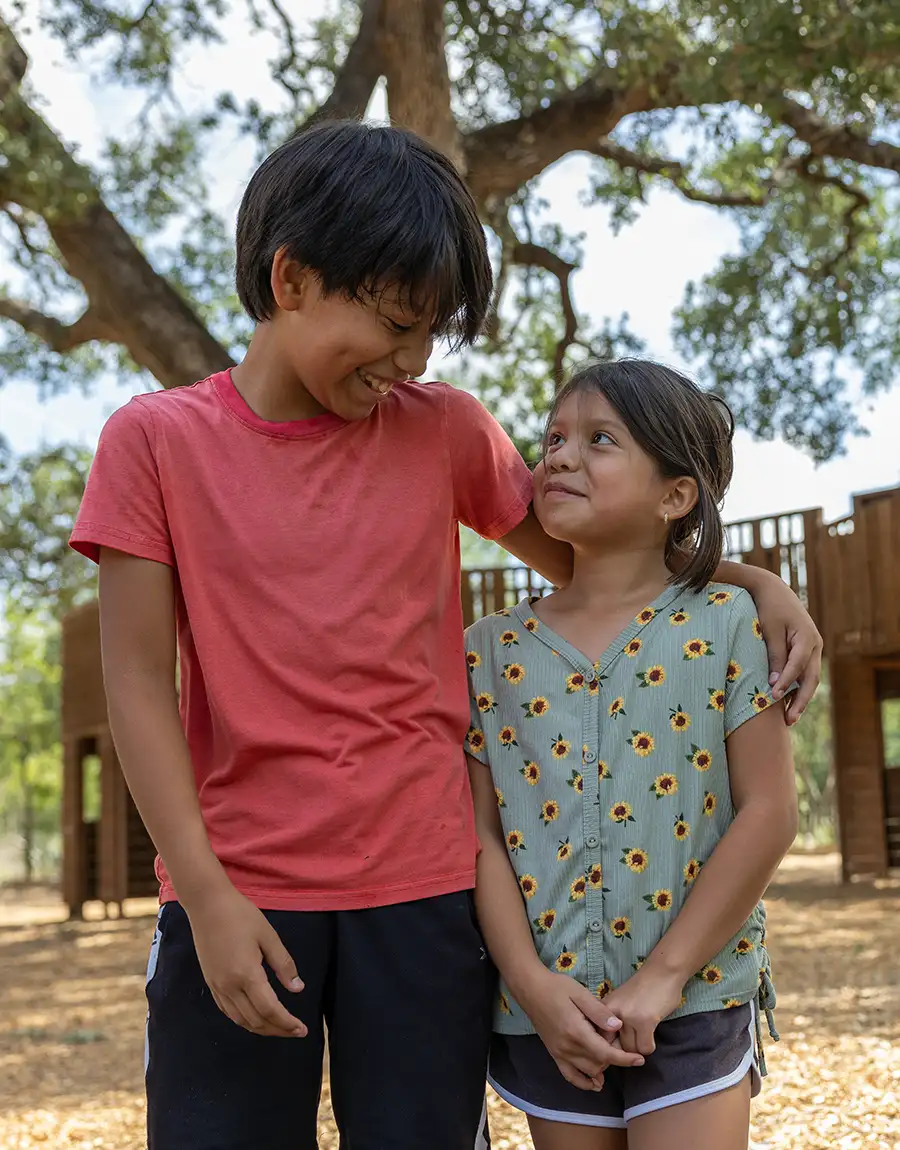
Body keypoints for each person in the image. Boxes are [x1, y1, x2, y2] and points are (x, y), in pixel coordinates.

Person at [70, 122, 817, 1150]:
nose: (411, 360)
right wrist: (200, 891)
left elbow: (599, 562)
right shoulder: (153, 443)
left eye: (430, 336)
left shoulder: (443, 428)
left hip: (424, 893)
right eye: (394, 323)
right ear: (292, 278)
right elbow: (137, 685)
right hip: (240, 885)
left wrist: (751, 580)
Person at [466, 359, 800, 1150]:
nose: (558, 456)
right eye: (552, 438)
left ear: (676, 495)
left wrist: (664, 977)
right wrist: (531, 986)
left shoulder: (727, 623)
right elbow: (477, 836)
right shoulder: (488, 649)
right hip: (548, 1017)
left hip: (696, 999)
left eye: (599, 439)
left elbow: (771, 811)